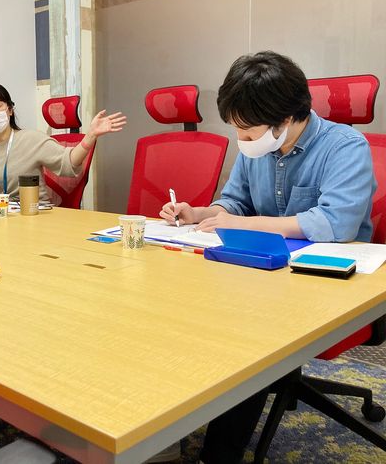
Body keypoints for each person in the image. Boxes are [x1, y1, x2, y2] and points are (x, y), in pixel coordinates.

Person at [160, 50, 376, 463]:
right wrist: (201, 213)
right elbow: (234, 202)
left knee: (245, 338)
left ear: (287, 119)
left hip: (324, 284)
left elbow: (335, 224)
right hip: (261, 272)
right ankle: (161, 425)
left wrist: (244, 224)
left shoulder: (345, 146)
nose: (241, 141)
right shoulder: (257, 148)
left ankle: (218, 455)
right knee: (184, 310)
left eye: (247, 132)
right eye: (236, 131)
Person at [0, 82, 126, 203]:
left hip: (33, 216)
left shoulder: (31, 139)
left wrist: (90, 136)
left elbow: (69, 162)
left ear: (9, 110)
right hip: (0, 218)